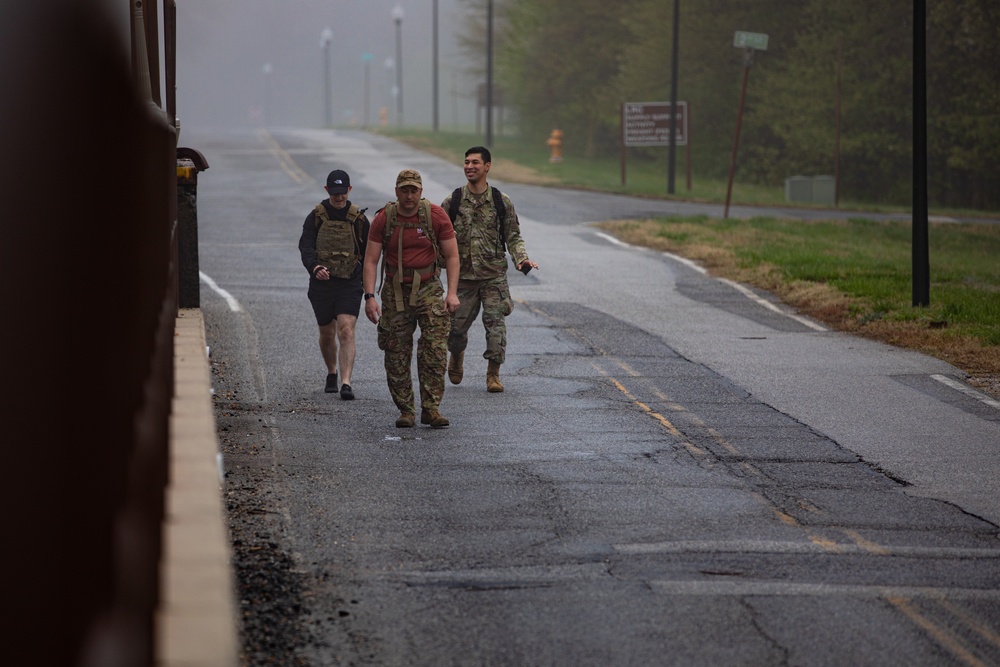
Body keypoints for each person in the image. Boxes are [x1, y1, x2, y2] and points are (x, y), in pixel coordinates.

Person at [362, 169, 460, 428]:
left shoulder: (435, 215)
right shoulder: (384, 219)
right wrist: (370, 297)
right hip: (395, 292)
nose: (409, 195)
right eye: (404, 190)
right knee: (395, 352)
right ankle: (406, 409)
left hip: (428, 289)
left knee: (434, 350)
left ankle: (431, 408)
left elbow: (452, 256)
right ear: (396, 192)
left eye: (413, 190)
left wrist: (451, 293)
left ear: (421, 191)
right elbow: (371, 260)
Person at [441, 146, 538, 393]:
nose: (469, 167)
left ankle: (493, 374)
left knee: (496, 329)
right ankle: (457, 355)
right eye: (466, 162)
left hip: (493, 277)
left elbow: (513, 237)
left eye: (475, 162)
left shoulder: (500, 201)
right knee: (454, 331)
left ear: (487, 167)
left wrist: (522, 259)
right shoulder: (452, 201)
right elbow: (438, 237)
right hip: (462, 279)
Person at [298, 169, 370, 400]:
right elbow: (306, 247)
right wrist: (314, 267)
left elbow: (369, 253)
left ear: (349, 190)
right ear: (327, 191)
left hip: (349, 282)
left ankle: (346, 382)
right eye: (335, 193)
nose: (339, 198)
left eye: (343, 193)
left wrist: (369, 289)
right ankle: (332, 372)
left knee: (346, 330)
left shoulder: (358, 219)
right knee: (327, 333)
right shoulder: (316, 216)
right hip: (322, 284)